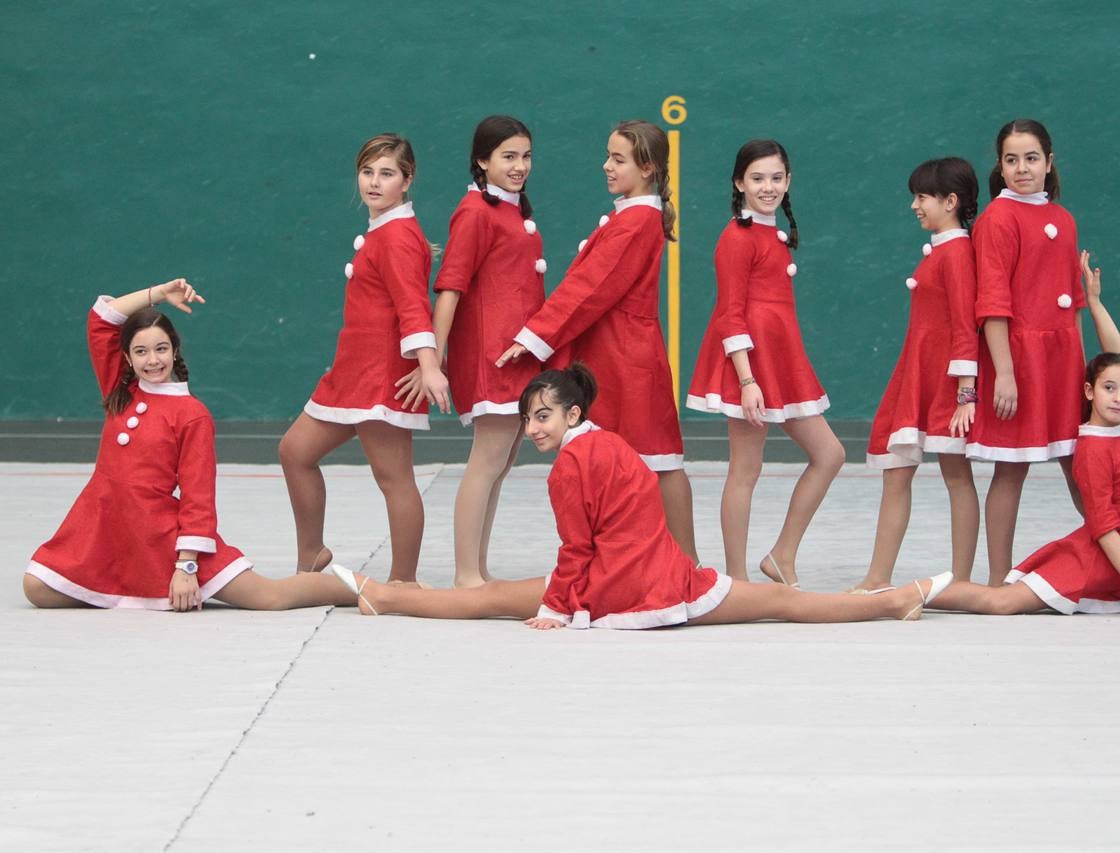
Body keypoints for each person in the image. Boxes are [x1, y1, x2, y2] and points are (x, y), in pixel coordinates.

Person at [329, 364, 934, 626]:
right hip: (671, 578)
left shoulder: (570, 465)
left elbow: (575, 549)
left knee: (485, 599)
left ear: (572, 412)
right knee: (786, 604)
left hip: (615, 585)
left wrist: (555, 609)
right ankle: (890, 601)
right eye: (528, 419)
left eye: (543, 417)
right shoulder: (610, 443)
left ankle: (386, 596)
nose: (534, 429)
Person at [918, 258, 1120, 618]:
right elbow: (1102, 524)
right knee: (1001, 603)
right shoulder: (1093, 449)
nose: (1118, 397)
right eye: (1109, 388)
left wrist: (1094, 305)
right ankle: (910, 595)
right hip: (1097, 558)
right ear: (1088, 390)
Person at [23, 282, 357, 611]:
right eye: (141, 351)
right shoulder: (119, 391)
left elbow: (198, 495)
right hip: (104, 533)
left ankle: (373, 592)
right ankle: (121, 585)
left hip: (163, 538)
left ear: (175, 350)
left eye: (161, 349)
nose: (152, 360)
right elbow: (101, 319)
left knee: (269, 597)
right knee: (37, 587)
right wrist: (157, 295)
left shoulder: (192, 413)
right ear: (126, 357)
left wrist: (186, 566)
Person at [493, 120, 697, 561]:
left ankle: (683, 563)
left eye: (617, 159)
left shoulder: (636, 220)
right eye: (608, 156)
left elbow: (588, 288)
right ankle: (661, 560)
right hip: (620, 352)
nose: (606, 166)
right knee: (649, 459)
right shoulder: (635, 215)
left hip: (623, 357)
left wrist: (533, 338)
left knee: (656, 461)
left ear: (646, 168)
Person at [278, 133, 445, 583]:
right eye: (367, 171)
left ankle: (403, 582)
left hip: (380, 382)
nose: (374, 182)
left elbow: (414, 307)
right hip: (351, 377)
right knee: (295, 451)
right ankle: (311, 554)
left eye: (387, 173)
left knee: (394, 480)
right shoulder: (388, 230)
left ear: (407, 181)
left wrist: (428, 366)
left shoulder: (396, 236)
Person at [685, 139, 845, 587]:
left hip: (780, 363)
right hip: (749, 367)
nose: (768, 186)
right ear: (739, 182)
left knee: (829, 455)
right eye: (757, 178)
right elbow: (730, 313)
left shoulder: (772, 234)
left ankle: (781, 555)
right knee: (745, 470)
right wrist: (747, 379)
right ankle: (736, 580)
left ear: (788, 180)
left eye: (776, 177)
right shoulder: (736, 237)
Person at [396, 115, 544, 586]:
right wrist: (433, 360)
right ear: (482, 160)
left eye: (525, 156)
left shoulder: (512, 209)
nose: (519, 166)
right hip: (491, 358)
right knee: (487, 461)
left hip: (518, 358)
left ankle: (477, 569)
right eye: (508, 156)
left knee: (501, 464)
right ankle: (465, 575)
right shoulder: (476, 212)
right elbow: (450, 289)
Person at [853, 157, 981, 593]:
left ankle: (961, 580)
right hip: (917, 375)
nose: (914, 205)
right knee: (897, 470)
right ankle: (877, 578)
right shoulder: (945, 249)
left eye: (922, 196)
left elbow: (966, 324)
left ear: (951, 201)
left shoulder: (959, 253)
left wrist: (966, 395)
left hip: (946, 384)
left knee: (956, 474)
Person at [969, 119, 1087, 585]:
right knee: (1011, 467)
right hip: (1018, 361)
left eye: (1031, 158)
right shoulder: (997, 219)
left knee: (1083, 465)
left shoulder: (1063, 218)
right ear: (999, 166)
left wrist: (1079, 367)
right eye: (1011, 160)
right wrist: (1005, 373)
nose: (1022, 168)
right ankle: (999, 580)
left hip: (1063, 363)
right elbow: (992, 304)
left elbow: (1073, 302)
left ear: (1049, 162)